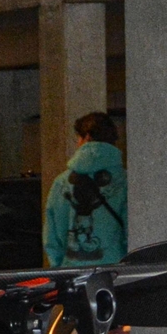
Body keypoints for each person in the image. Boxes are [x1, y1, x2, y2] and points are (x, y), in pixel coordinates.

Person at [44, 112, 127, 268]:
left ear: (86, 137)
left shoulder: (61, 182)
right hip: (115, 276)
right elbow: (132, 235)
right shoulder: (126, 182)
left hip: (72, 274)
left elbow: (52, 238)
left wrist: (58, 269)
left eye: (78, 138)